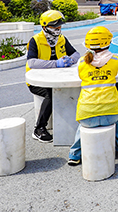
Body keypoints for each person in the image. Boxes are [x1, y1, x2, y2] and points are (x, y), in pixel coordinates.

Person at [67, 26, 118, 166]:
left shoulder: (82, 62)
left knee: (81, 129)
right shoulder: (114, 60)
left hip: (87, 114)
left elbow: (80, 75)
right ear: (108, 42)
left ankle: (74, 155)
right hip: (111, 113)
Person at [26, 10, 79, 143]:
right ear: (45, 27)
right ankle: (39, 129)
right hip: (38, 82)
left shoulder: (61, 39)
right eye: (55, 28)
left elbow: (76, 54)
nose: (58, 30)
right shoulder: (35, 40)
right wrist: (56, 63)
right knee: (52, 92)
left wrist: (70, 60)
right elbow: (31, 62)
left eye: (59, 27)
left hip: (58, 78)